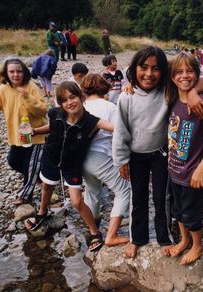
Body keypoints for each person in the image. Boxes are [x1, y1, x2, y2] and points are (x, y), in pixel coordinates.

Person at [112, 46, 203, 259]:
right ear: (134, 68)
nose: (149, 74)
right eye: (143, 67)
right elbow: (120, 131)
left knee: (162, 198)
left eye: (156, 69)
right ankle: (137, 238)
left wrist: (193, 92)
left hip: (161, 154)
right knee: (137, 198)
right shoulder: (126, 97)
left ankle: (164, 237)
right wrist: (121, 159)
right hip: (135, 156)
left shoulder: (168, 90)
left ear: (163, 72)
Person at [25, 81, 114, 252]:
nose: (69, 103)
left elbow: (115, 127)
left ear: (81, 97)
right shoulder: (56, 114)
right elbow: (52, 127)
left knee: (76, 201)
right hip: (51, 158)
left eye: (72, 97)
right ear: (61, 103)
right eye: (64, 100)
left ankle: (95, 233)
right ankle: (42, 213)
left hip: (72, 164)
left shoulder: (92, 121)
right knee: (46, 186)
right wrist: (35, 131)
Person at [165, 52, 203, 265]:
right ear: (172, 78)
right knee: (177, 211)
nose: (184, 76)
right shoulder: (171, 99)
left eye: (189, 71)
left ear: (196, 74)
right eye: (179, 72)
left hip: (193, 174)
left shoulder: (201, 104)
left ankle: (197, 247)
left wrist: (202, 169)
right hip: (174, 171)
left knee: (192, 215)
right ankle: (183, 240)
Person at [0, 58, 48, 205]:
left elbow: (42, 111)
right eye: (12, 71)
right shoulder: (3, 90)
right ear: (6, 73)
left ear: (24, 72)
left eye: (19, 71)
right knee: (13, 161)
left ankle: (26, 195)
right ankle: (38, 176)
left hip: (35, 136)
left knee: (30, 167)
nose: (16, 75)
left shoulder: (31, 87)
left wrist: (27, 97)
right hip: (17, 137)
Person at [81, 74, 131, 246]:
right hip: (101, 156)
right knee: (124, 190)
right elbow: (121, 134)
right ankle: (112, 235)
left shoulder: (81, 106)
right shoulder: (109, 107)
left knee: (92, 191)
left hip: (82, 158)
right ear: (104, 88)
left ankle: (93, 230)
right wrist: (124, 159)